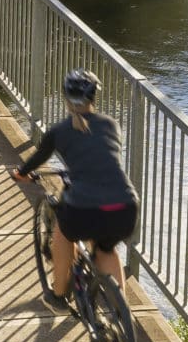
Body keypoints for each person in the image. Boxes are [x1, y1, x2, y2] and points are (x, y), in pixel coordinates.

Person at [12, 68, 138, 299]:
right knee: (105, 248)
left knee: (63, 233)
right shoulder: (111, 125)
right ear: (93, 97)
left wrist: (20, 174)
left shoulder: (59, 131)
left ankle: (59, 294)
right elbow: (98, 159)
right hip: (125, 206)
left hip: (84, 207)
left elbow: (36, 160)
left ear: (66, 98)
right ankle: (122, 316)